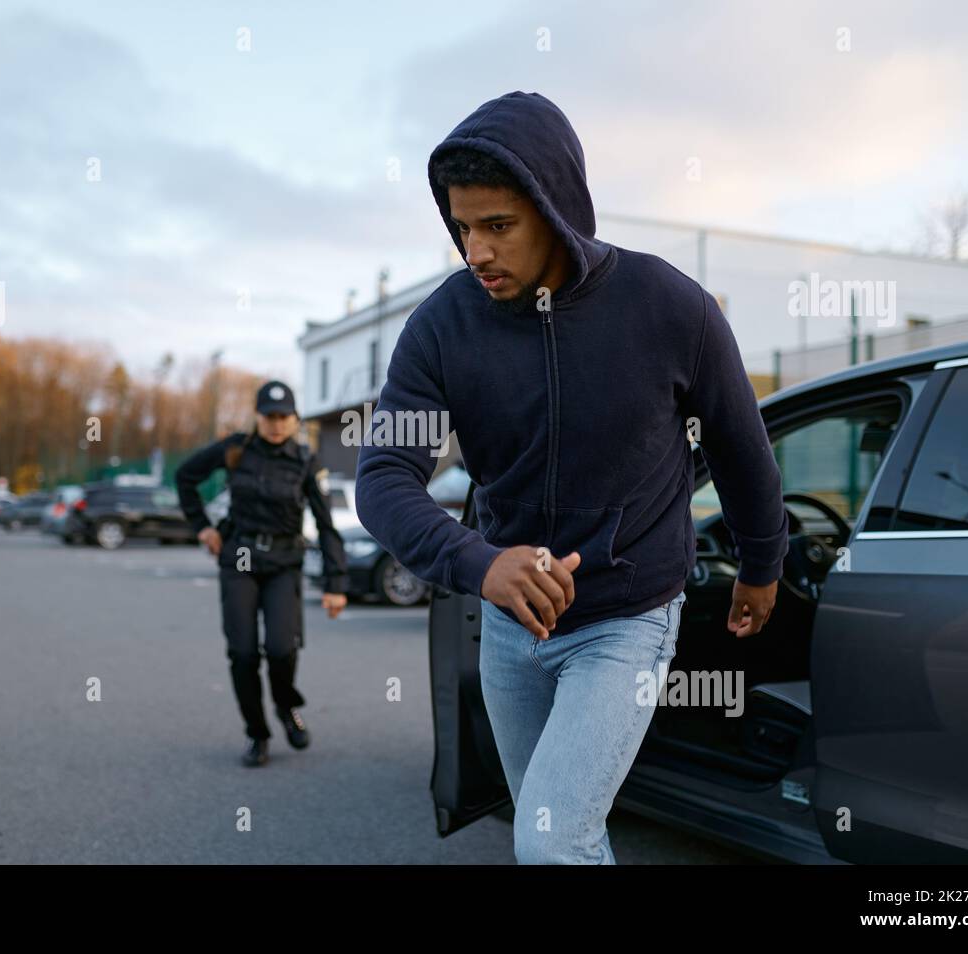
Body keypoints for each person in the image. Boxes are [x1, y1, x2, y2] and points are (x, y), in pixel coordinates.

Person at [354, 91, 789, 863]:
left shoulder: (670, 308)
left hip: (626, 620)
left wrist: (762, 566)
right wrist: (480, 563)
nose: (475, 252)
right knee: (554, 830)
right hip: (509, 625)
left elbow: (740, 446)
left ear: (555, 209)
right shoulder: (441, 327)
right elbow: (384, 476)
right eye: (462, 228)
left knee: (552, 841)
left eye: (497, 226)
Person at [176, 380, 349, 767]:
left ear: (294, 419)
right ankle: (257, 733)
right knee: (242, 653)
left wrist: (336, 584)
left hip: (283, 563)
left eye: (283, 416)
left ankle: (286, 707)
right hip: (239, 556)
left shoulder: (307, 462)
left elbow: (326, 526)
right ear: (257, 417)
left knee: (281, 649)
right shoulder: (235, 449)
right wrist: (201, 526)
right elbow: (186, 477)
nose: (275, 423)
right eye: (268, 416)